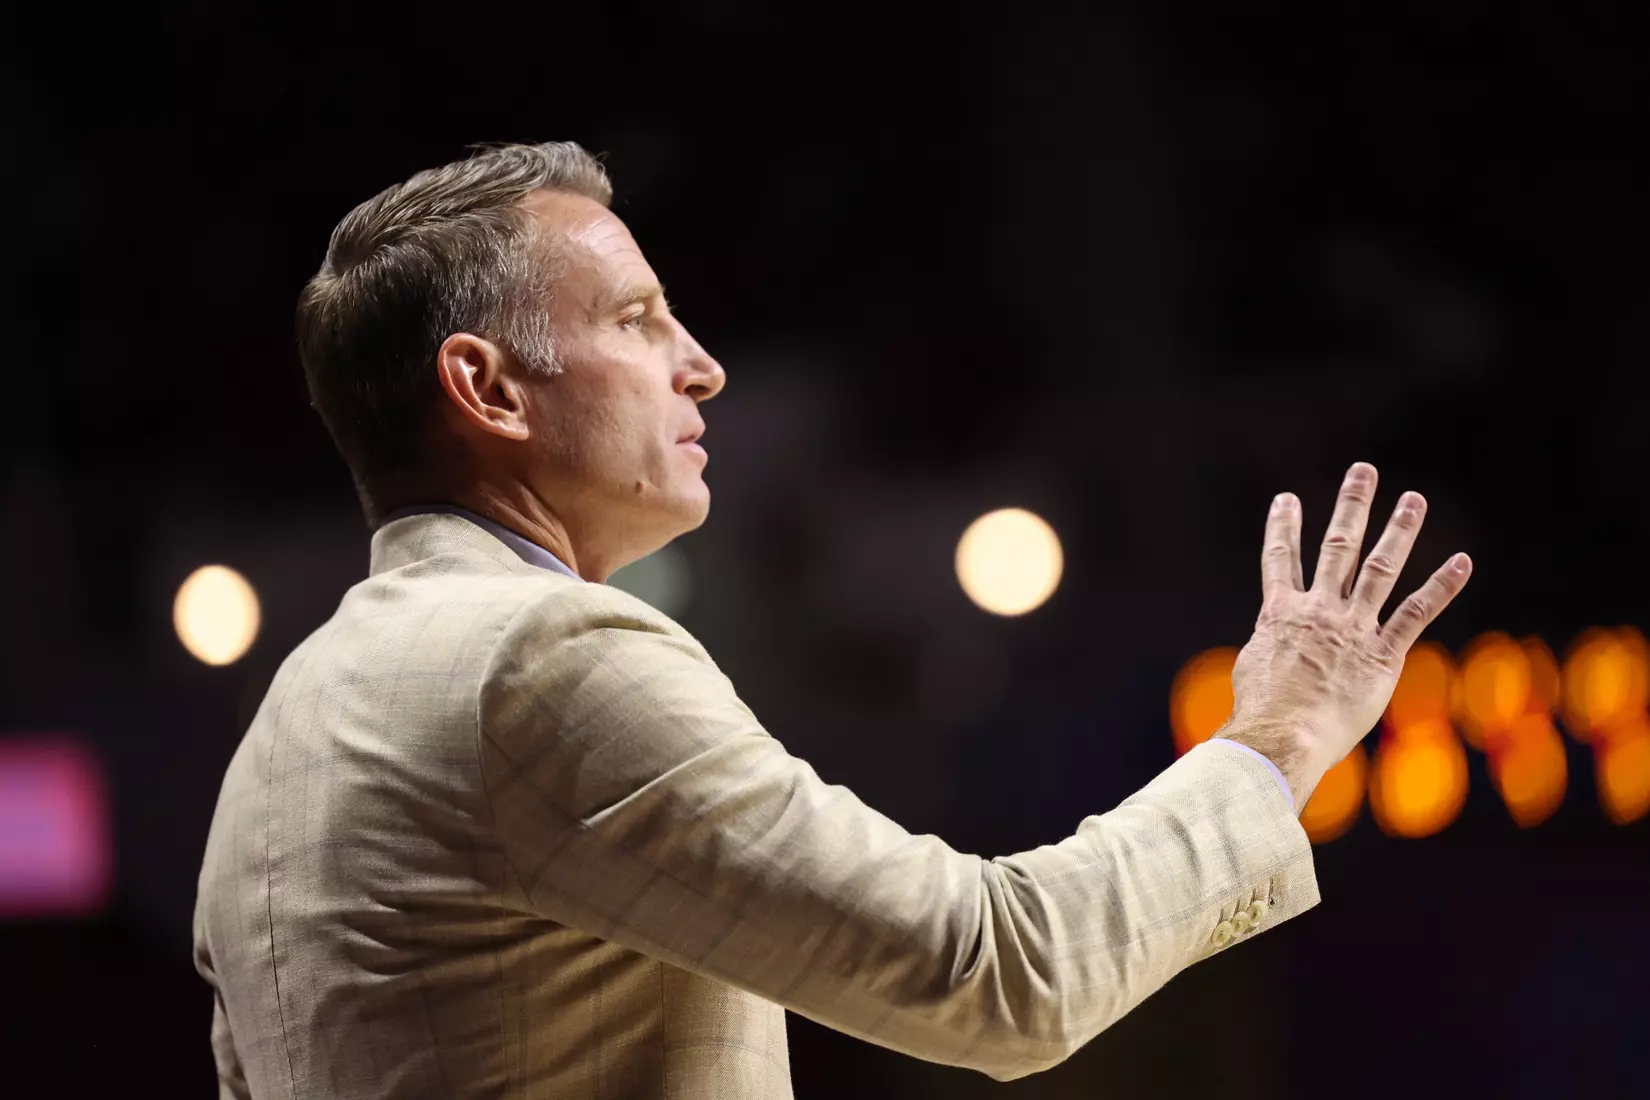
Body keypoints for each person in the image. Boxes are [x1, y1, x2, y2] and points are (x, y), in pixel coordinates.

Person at [192, 142, 1473, 1100]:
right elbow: (1001, 972)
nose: (702, 363)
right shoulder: (539, 657)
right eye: (637, 319)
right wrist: (1281, 738)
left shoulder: (278, 740)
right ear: (485, 386)